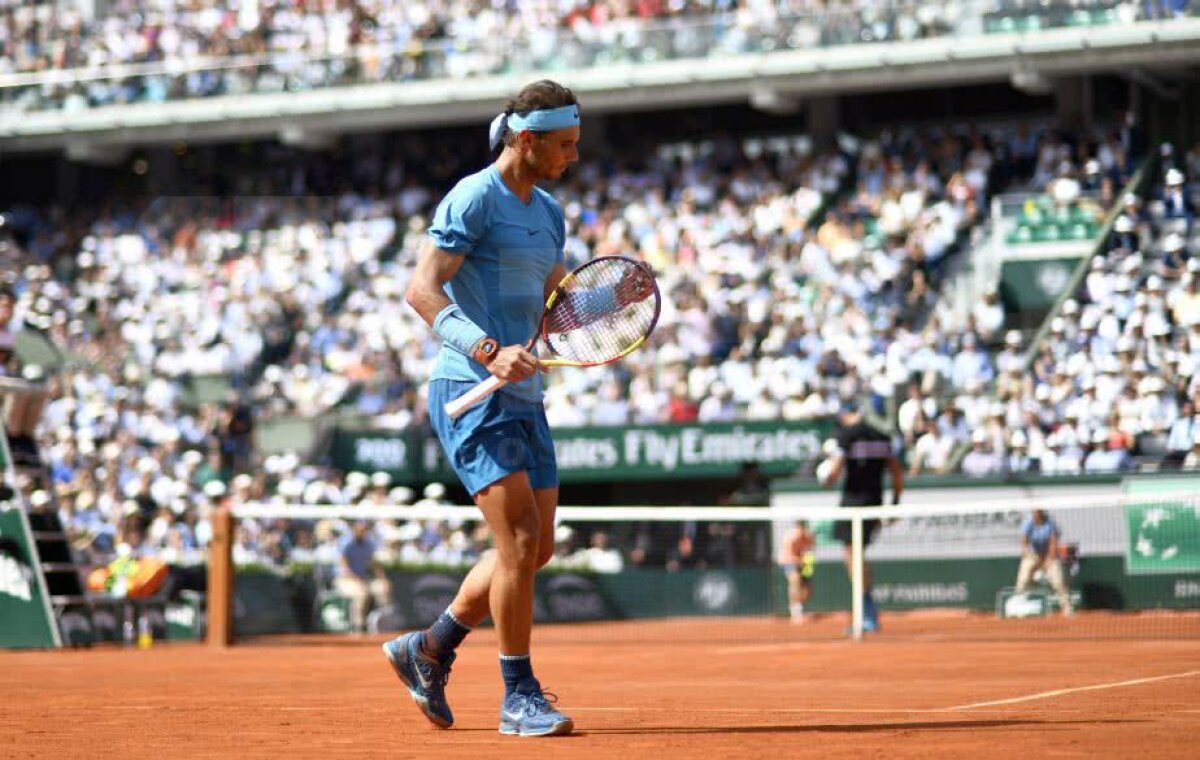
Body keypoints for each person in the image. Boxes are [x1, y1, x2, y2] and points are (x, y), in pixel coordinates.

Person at [384, 80, 623, 738]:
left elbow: (558, 296)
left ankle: (428, 647)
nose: (575, 155)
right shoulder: (473, 196)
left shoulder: (548, 211)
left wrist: (617, 301)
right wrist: (488, 349)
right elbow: (422, 290)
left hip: (525, 393)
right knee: (517, 542)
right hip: (471, 388)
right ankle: (518, 697)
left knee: (536, 548)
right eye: (566, 144)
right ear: (528, 140)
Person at [819, 400, 904, 633]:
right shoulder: (882, 436)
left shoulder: (846, 435)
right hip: (874, 504)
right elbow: (897, 472)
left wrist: (826, 479)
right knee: (858, 555)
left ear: (847, 415)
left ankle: (866, 612)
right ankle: (867, 612)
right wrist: (894, 502)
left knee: (852, 556)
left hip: (852, 504)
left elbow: (834, 471)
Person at [335, 520, 392, 633]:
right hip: (345, 580)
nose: (361, 532)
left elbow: (374, 565)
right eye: (359, 530)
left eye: (363, 530)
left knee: (381, 587)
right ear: (354, 530)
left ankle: (381, 622)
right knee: (361, 594)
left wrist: (383, 579)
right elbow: (345, 569)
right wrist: (358, 581)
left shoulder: (369, 545)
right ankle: (358, 627)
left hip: (363, 580)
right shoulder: (346, 544)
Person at [1014, 508, 1073, 617]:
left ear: (1042, 512)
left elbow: (1053, 543)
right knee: (1023, 578)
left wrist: (1048, 560)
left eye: (1038, 512)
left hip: (1049, 555)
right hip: (1033, 554)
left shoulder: (1050, 523)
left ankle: (1067, 609)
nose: (1036, 514)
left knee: (1058, 581)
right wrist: (1031, 557)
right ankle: (1018, 607)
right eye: (1034, 512)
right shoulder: (1028, 523)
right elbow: (1024, 544)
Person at [777, 520, 816, 624]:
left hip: (804, 563)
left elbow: (810, 550)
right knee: (795, 579)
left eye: (804, 526)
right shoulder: (790, 537)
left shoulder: (809, 536)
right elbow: (790, 553)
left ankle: (798, 605)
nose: (802, 529)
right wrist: (801, 560)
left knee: (808, 591)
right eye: (800, 526)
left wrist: (807, 562)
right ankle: (796, 612)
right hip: (789, 561)